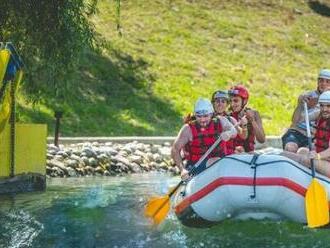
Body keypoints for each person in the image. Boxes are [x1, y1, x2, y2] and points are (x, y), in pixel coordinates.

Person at [171, 98, 237, 179]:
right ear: (195, 115)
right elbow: (175, 150)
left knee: (223, 160)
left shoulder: (221, 121)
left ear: (211, 114)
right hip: (196, 166)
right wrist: (182, 170)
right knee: (214, 160)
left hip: (220, 165)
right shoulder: (188, 129)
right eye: (199, 116)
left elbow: (234, 131)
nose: (202, 120)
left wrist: (229, 133)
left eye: (206, 116)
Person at [281, 91, 330, 177]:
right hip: (325, 159)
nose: (324, 109)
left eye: (328, 106)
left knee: (307, 160)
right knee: (302, 151)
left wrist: (317, 156)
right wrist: (300, 104)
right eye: (322, 105)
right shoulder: (320, 115)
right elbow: (296, 120)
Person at [282, 69, 330, 153]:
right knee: (290, 148)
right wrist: (300, 104)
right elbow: (295, 121)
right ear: (317, 82)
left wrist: (322, 98)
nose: (324, 84)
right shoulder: (308, 96)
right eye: (321, 80)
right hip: (297, 132)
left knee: (305, 153)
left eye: (327, 81)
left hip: (314, 137)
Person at [229, 85, 265, 153]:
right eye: (230, 101)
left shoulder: (254, 114)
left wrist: (252, 120)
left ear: (244, 101)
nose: (232, 104)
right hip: (233, 153)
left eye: (236, 101)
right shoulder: (228, 116)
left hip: (249, 153)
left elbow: (262, 140)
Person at [211, 90, 246, 154]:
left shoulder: (231, 119)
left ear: (227, 104)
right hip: (213, 156)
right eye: (217, 101)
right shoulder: (206, 119)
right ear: (213, 103)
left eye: (223, 102)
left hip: (229, 156)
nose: (220, 104)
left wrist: (244, 125)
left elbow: (243, 136)